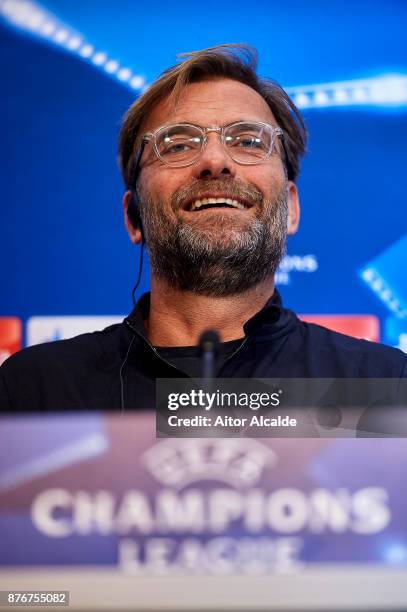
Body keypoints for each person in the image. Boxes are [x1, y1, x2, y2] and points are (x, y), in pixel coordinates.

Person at [1, 44, 406, 411]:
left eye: (248, 141)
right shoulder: (34, 392)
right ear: (133, 216)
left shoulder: (384, 389)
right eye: (177, 145)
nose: (215, 159)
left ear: (292, 210)